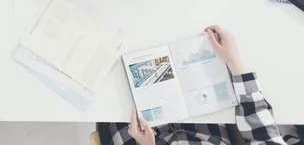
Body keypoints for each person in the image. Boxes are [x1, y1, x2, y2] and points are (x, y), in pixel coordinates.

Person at [107, 26, 302, 145]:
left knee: (111, 81)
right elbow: (262, 133)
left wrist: (146, 144)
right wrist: (233, 60)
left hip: (143, 137)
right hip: (204, 133)